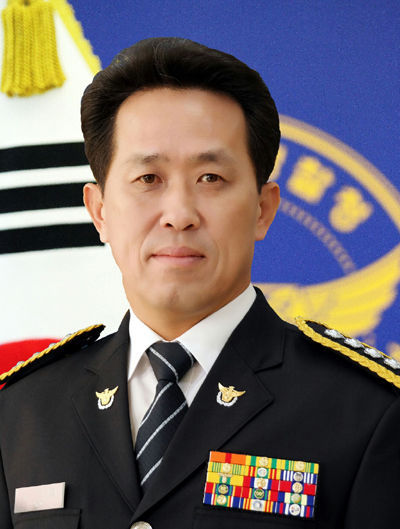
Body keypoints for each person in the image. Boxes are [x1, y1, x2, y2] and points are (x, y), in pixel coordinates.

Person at [0, 37, 399, 529]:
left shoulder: (368, 412)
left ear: (263, 209)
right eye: (148, 179)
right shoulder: (21, 412)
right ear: (99, 212)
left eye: (210, 178)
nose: (179, 214)